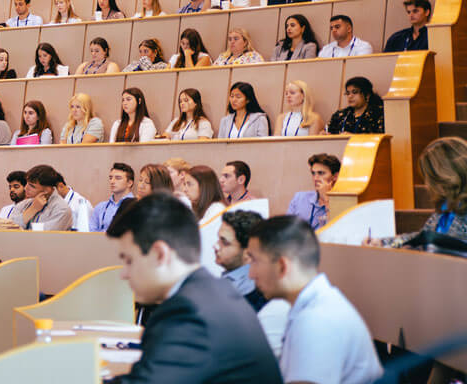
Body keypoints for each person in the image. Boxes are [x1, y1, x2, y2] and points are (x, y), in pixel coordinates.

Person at [104, 194, 281, 383]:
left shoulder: (188, 312)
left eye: (129, 260)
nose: (124, 274)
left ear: (159, 254)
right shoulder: (209, 293)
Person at [247, 217, 382, 384]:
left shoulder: (316, 320)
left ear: (282, 266)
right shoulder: (313, 305)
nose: (250, 274)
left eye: (254, 261)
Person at [0, 165, 72, 232]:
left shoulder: (62, 209)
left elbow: (44, 236)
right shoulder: (24, 204)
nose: (25, 188)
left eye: (32, 186)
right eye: (27, 183)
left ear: (47, 190)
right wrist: (32, 209)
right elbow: (9, 230)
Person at [287, 154, 339, 229]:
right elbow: (287, 229)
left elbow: (336, 230)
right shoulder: (299, 198)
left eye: (321, 173)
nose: (315, 178)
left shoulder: (342, 203)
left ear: (335, 176)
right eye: (313, 173)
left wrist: (327, 200)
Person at [90, 163, 135, 233]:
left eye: (118, 178)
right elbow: (90, 234)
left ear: (129, 183)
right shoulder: (100, 207)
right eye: (111, 178)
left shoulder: (137, 207)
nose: (112, 181)